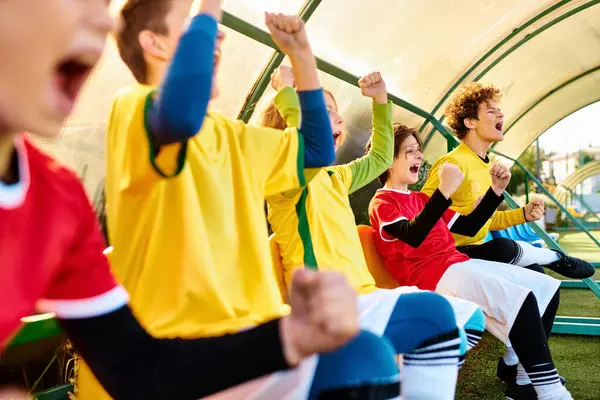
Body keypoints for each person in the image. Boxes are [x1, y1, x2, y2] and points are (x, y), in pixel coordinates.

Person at [0, 0, 369, 399]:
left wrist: (300, 55)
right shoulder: (134, 106)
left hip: (220, 350)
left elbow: (316, 149)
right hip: (181, 339)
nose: (103, 19)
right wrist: (209, 9)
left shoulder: (57, 196)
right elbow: (178, 114)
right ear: (154, 45)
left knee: (362, 359)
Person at [261, 68, 486, 399]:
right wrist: (285, 92)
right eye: (323, 111)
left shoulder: (337, 178)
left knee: (469, 320)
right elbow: (299, 149)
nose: (338, 118)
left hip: (364, 296)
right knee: (436, 322)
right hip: (325, 305)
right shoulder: (284, 179)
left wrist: (381, 101)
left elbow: (380, 156)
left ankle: (395, 375)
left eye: (337, 110)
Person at [369, 124, 573, 400]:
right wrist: (443, 191)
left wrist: (496, 191)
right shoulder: (382, 202)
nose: (418, 156)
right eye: (409, 151)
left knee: (545, 287)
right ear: (385, 160)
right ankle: (552, 393)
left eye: (419, 150)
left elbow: (470, 225)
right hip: (432, 277)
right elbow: (413, 236)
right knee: (522, 299)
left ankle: (524, 382)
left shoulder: (420, 198)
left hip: (456, 264)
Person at [420, 82, 593, 383]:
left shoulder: (487, 165)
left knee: (544, 284)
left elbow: (485, 222)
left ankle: (516, 368)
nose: (500, 114)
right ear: (470, 122)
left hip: (475, 250)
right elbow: (425, 213)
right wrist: (462, 213)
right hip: (449, 257)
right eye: (491, 110)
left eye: (500, 110)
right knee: (502, 250)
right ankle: (555, 257)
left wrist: (523, 214)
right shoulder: (450, 163)